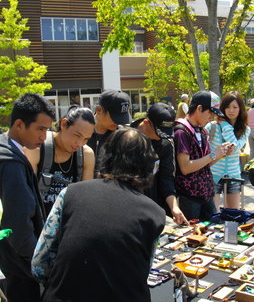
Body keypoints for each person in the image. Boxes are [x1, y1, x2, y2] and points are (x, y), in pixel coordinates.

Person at [31, 128, 165, 301]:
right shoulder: (155, 213)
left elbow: (39, 264)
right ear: (147, 164)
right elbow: (142, 271)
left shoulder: (70, 193)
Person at [0, 93, 55, 302]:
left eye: (47, 130)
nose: (44, 137)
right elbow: (18, 225)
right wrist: (40, 264)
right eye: (40, 129)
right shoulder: (10, 162)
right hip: (17, 268)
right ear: (19, 124)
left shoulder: (7, 150)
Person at [24, 106, 95, 215]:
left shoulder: (86, 155)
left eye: (86, 139)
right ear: (63, 124)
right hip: (38, 222)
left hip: (68, 224)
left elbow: (85, 200)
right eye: (77, 135)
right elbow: (26, 194)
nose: (80, 143)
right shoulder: (37, 148)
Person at [173, 91, 228, 221]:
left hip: (206, 194)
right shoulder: (181, 131)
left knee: (212, 233)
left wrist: (220, 155)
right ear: (199, 108)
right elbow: (185, 167)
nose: (212, 118)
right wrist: (214, 154)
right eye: (210, 113)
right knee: (191, 237)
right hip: (189, 197)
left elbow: (204, 164)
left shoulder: (201, 130)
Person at [131, 102, 188, 225]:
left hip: (155, 205)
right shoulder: (126, 139)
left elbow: (166, 178)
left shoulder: (165, 143)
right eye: (159, 132)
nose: (161, 137)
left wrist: (174, 207)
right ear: (146, 123)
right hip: (130, 207)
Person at [206, 91, 250, 210]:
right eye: (228, 107)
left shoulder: (245, 130)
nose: (231, 110)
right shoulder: (212, 126)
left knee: (232, 216)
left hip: (233, 175)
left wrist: (226, 126)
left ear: (240, 109)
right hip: (213, 174)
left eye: (235, 107)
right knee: (212, 215)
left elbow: (234, 149)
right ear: (223, 109)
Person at [87, 89, 130, 174]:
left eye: (122, 117)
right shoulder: (79, 133)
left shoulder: (121, 136)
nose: (118, 122)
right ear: (99, 110)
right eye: (115, 117)